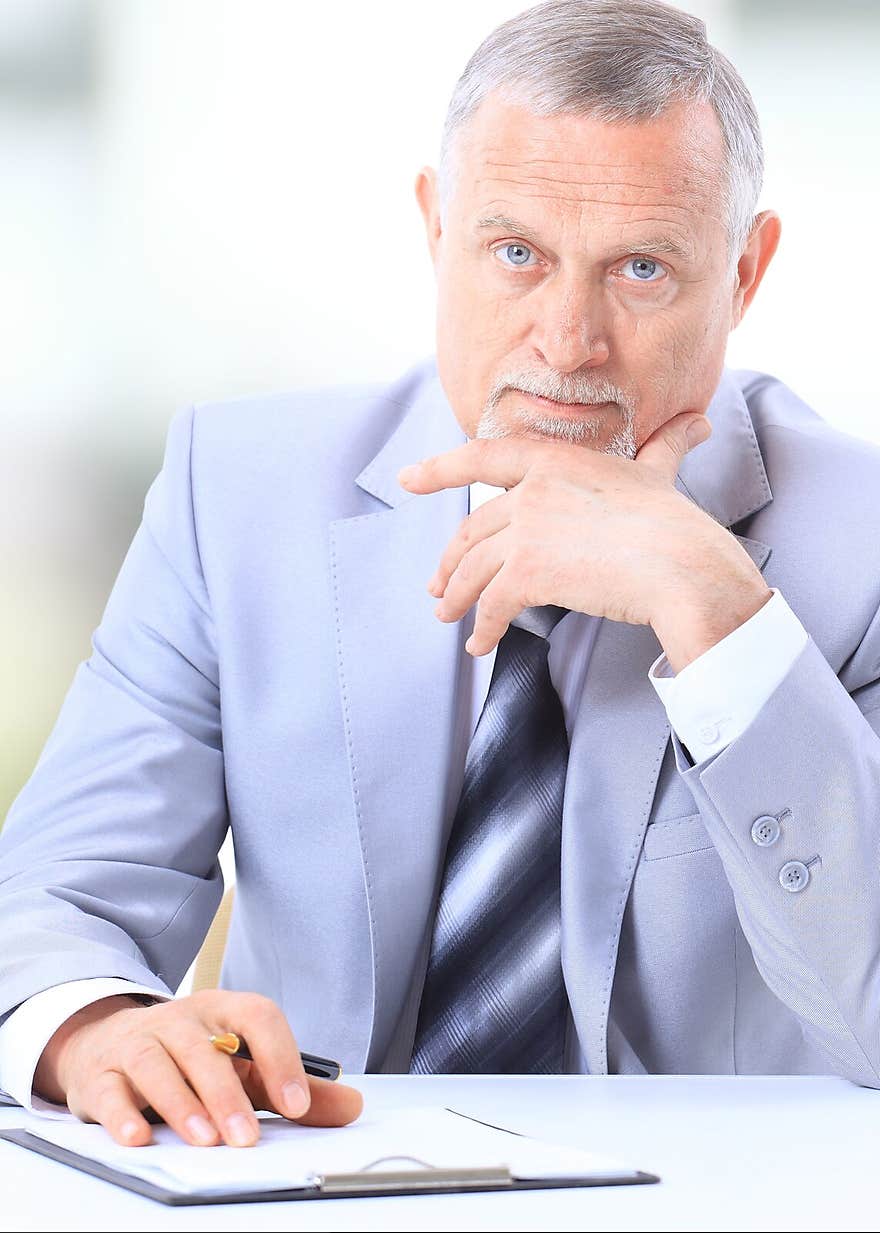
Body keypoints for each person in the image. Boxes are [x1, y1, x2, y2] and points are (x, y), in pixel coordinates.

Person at [2, 0, 880, 1150]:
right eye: (516, 254)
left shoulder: (856, 545)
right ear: (434, 227)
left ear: (743, 271)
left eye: (642, 269)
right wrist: (97, 1023)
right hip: (314, 1197)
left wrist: (718, 613)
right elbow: (55, 901)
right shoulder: (238, 495)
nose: (567, 341)